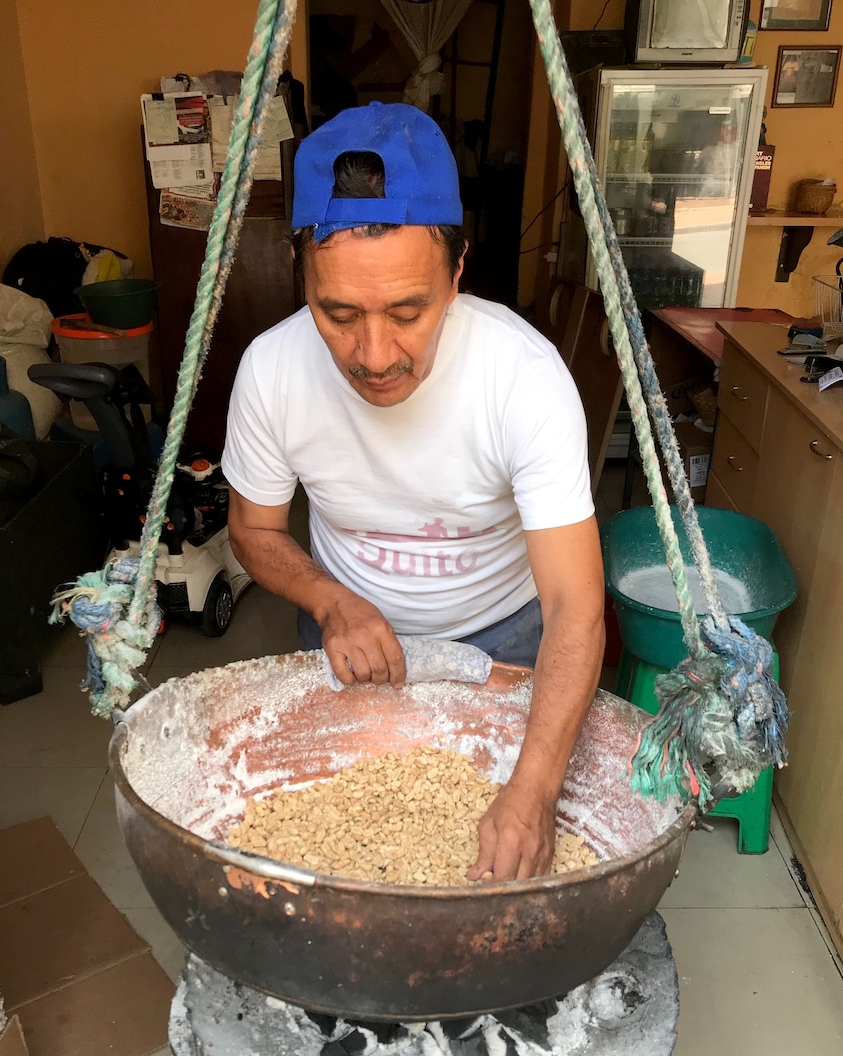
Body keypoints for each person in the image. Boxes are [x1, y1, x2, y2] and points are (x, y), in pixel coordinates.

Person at [222, 102, 605, 884]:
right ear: (302, 267)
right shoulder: (270, 370)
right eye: (337, 313)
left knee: (506, 857)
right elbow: (254, 531)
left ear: (457, 273)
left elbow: (576, 604)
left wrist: (531, 793)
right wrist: (330, 600)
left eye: (407, 311)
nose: (373, 354)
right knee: (343, 855)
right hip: (347, 636)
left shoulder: (523, 379)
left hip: (507, 640)